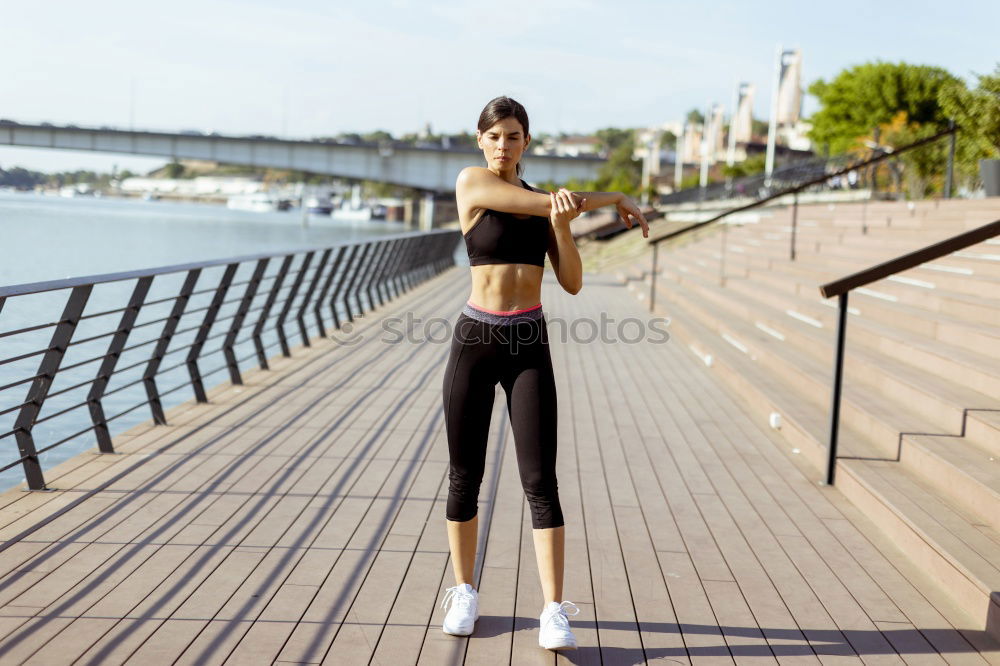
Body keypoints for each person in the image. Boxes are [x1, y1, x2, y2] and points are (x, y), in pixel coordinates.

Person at [439, 95, 649, 651]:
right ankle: (464, 592)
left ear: (526, 141)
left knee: (541, 481)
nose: (503, 145)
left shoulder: (546, 205)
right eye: (494, 136)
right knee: (465, 475)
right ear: (480, 140)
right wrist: (614, 198)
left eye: (513, 136)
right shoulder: (473, 185)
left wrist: (563, 225)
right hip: (476, 338)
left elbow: (574, 282)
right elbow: (553, 201)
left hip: (528, 340)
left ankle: (554, 610)